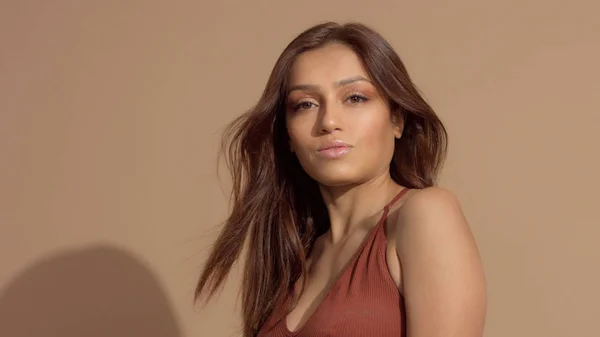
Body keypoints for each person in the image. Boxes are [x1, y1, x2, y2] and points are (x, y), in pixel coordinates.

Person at [195, 21, 487, 337]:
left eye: (355, 98)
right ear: (289, 138)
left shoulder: (425, 213)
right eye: (305, 104)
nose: (329, 121)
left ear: (397, 119)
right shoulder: (297, 257)